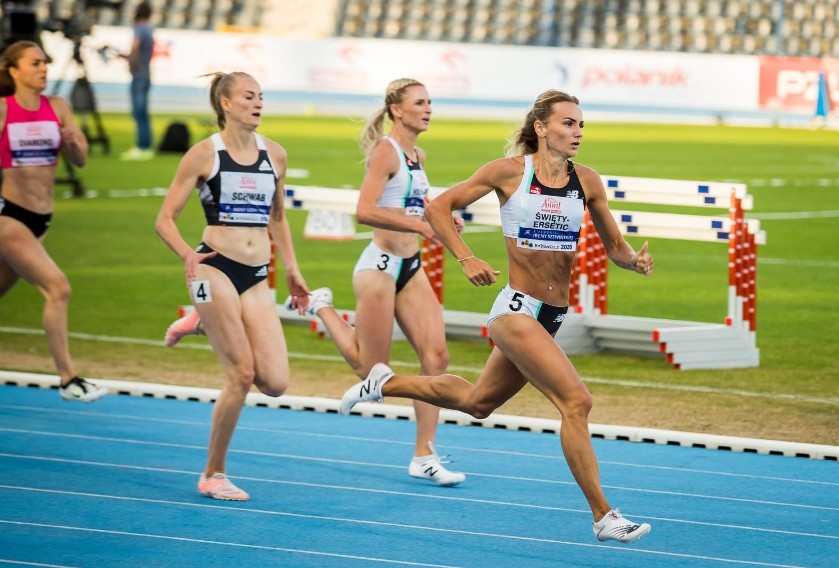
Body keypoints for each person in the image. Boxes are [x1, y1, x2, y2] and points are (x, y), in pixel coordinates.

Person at [340, 90, 654, 543]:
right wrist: (466, 257)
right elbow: (437, 207)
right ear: (541, 127)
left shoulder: (587, 181)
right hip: (515, 312)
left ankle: (383, 384)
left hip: (552, 315)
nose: (577, 133)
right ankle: (604, 516)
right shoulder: (508, 172)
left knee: (477, 403)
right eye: (568, 123)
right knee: (576, 402)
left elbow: (615, 247)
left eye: (581, 125)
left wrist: (634, 262)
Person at [290, 78, 466, 486]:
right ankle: (322, 305)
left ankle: (424, 454)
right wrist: (419, 226)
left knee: (436, 358)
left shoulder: (417, 153)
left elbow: (417, 200)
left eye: (430, 102)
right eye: (420, 103)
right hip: (379, 268)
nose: (428, 109)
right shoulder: (384, 153)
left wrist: (441, 218)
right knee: (369, 370)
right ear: (397, 110)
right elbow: (365, 211)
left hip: (411, 267)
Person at [155, 71, 312, 501]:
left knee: (275, 382)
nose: (258, 103)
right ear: (226, 103)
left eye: (261, 96)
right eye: (248, 96)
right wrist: (188, 253)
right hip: (214, 268)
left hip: (256, 275)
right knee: (241, 374)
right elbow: (163, 219)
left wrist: (294, 270)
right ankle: (213, 473)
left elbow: (278, 217)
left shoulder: (274, 154)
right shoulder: (204, 154)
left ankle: (200, 320)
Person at [0, 40, 108, 403]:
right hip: (8, 217)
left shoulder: (58, 107)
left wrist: (72, 141)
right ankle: (68, 380)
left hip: (40, 220)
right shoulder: (3, 109)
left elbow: (80, 160)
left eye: (46, 63)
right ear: (14, 71)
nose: (44, 68)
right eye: (35, 63)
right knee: (58, 288)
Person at [120, 1, 154, 161]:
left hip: (139, 76)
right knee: (143, 113)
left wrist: (130, 62)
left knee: (138, 113)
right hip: (146, 74)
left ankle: (142, 146)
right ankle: (145, 145)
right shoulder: (149, 29)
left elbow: (135, 47)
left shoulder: (140, 28)